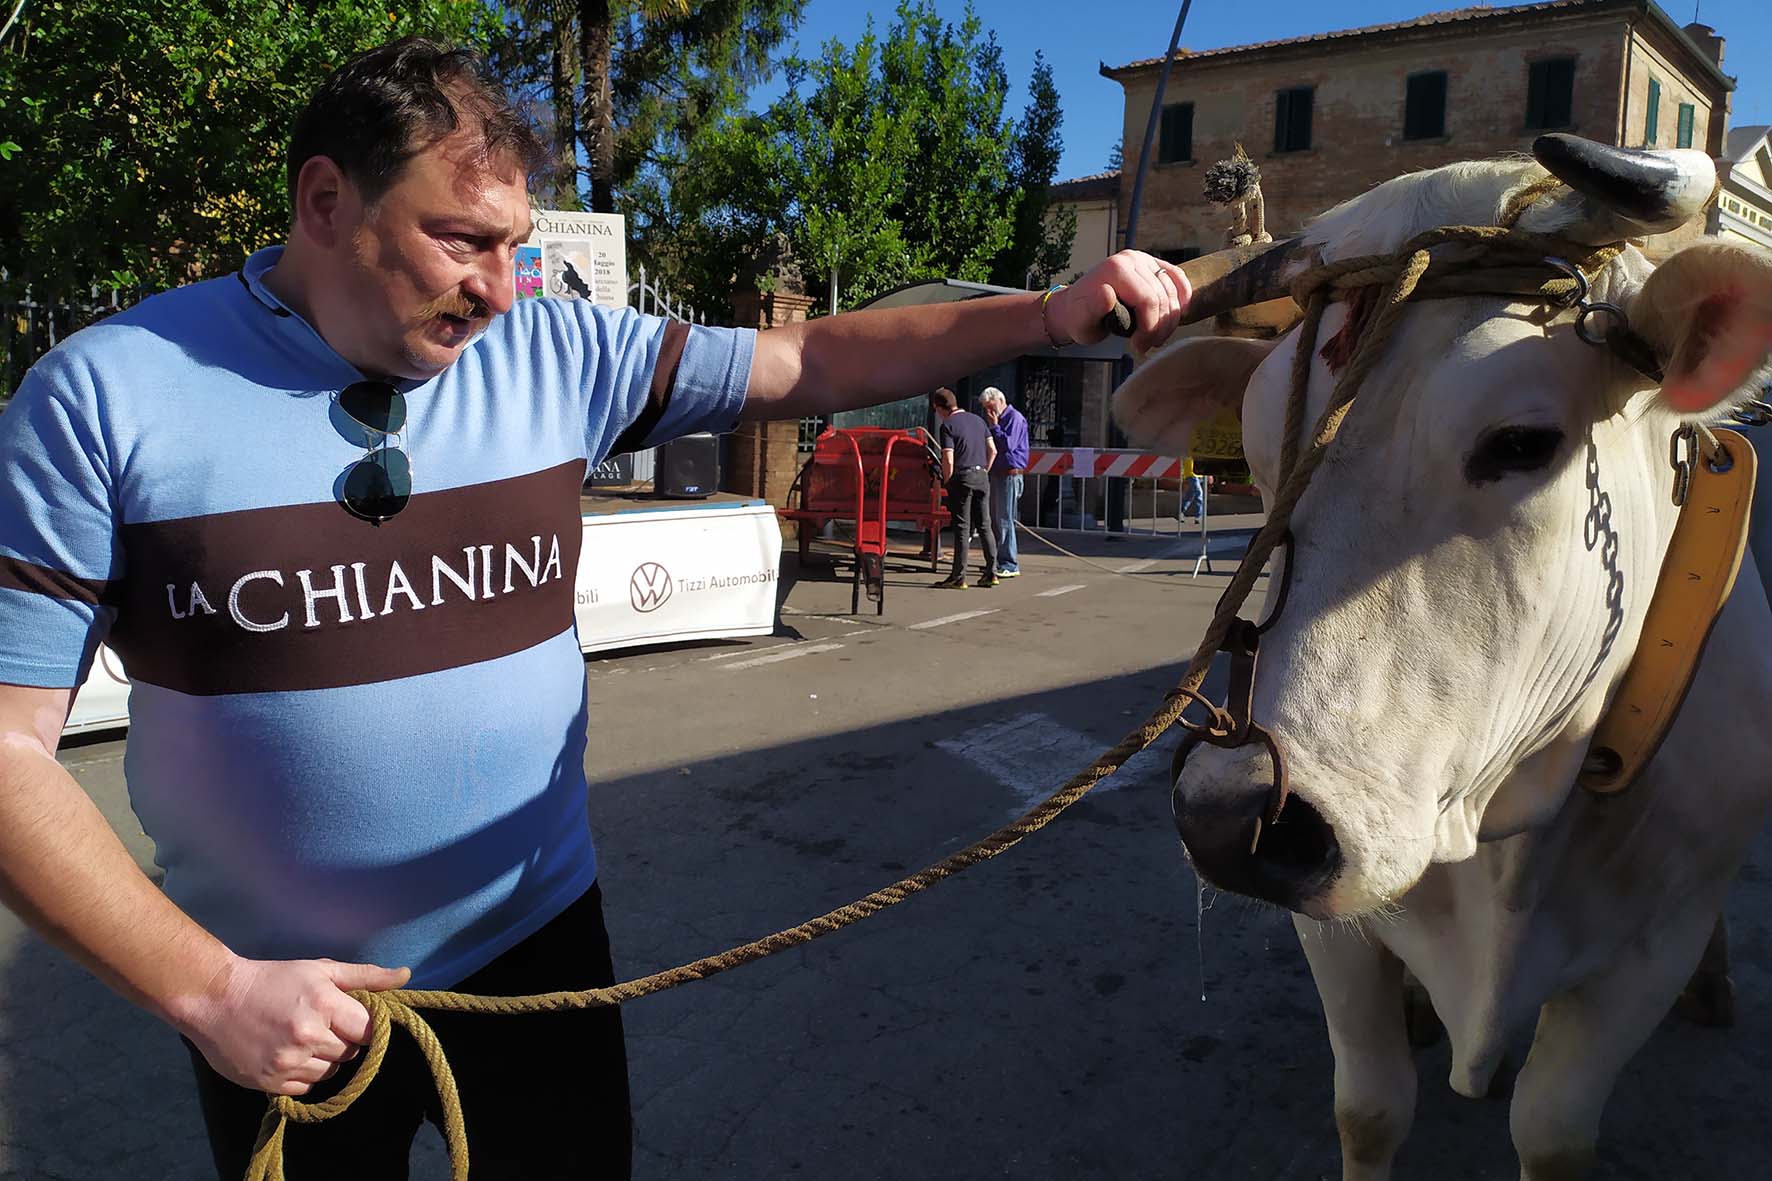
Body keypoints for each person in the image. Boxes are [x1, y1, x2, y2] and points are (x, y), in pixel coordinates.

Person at [0, 38, 1191, 1181]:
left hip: (539, 953)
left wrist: (1043, 313)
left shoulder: (555, 351)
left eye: (515, 246)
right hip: (274, 998)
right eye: (462, 240)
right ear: (324, 201)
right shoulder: (106, 397)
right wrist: (206, 991)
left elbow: (808, 362)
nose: (500, 290)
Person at [929, 388, 998, 588]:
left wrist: (948, 481)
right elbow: (993, 450)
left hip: (962, 477)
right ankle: (991, 572)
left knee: (962, 527)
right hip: (982, 477)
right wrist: (985, 469)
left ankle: (958, 576)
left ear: (940, 408)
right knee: (985, 525)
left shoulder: (948, 425)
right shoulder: (978, 420)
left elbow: (948, 459)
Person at [980, 386, 1028, 577]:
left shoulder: (1014, 418)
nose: (989, 412)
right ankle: (1000, 559)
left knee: (1004, 519)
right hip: (998, 473)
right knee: (996, 518)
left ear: (1000, 400)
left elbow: (1008, 445)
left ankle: (1009, 563)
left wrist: (994, 426)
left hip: (1009, 474)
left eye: (991, 407)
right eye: (986, 409)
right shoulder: (1000, 419)